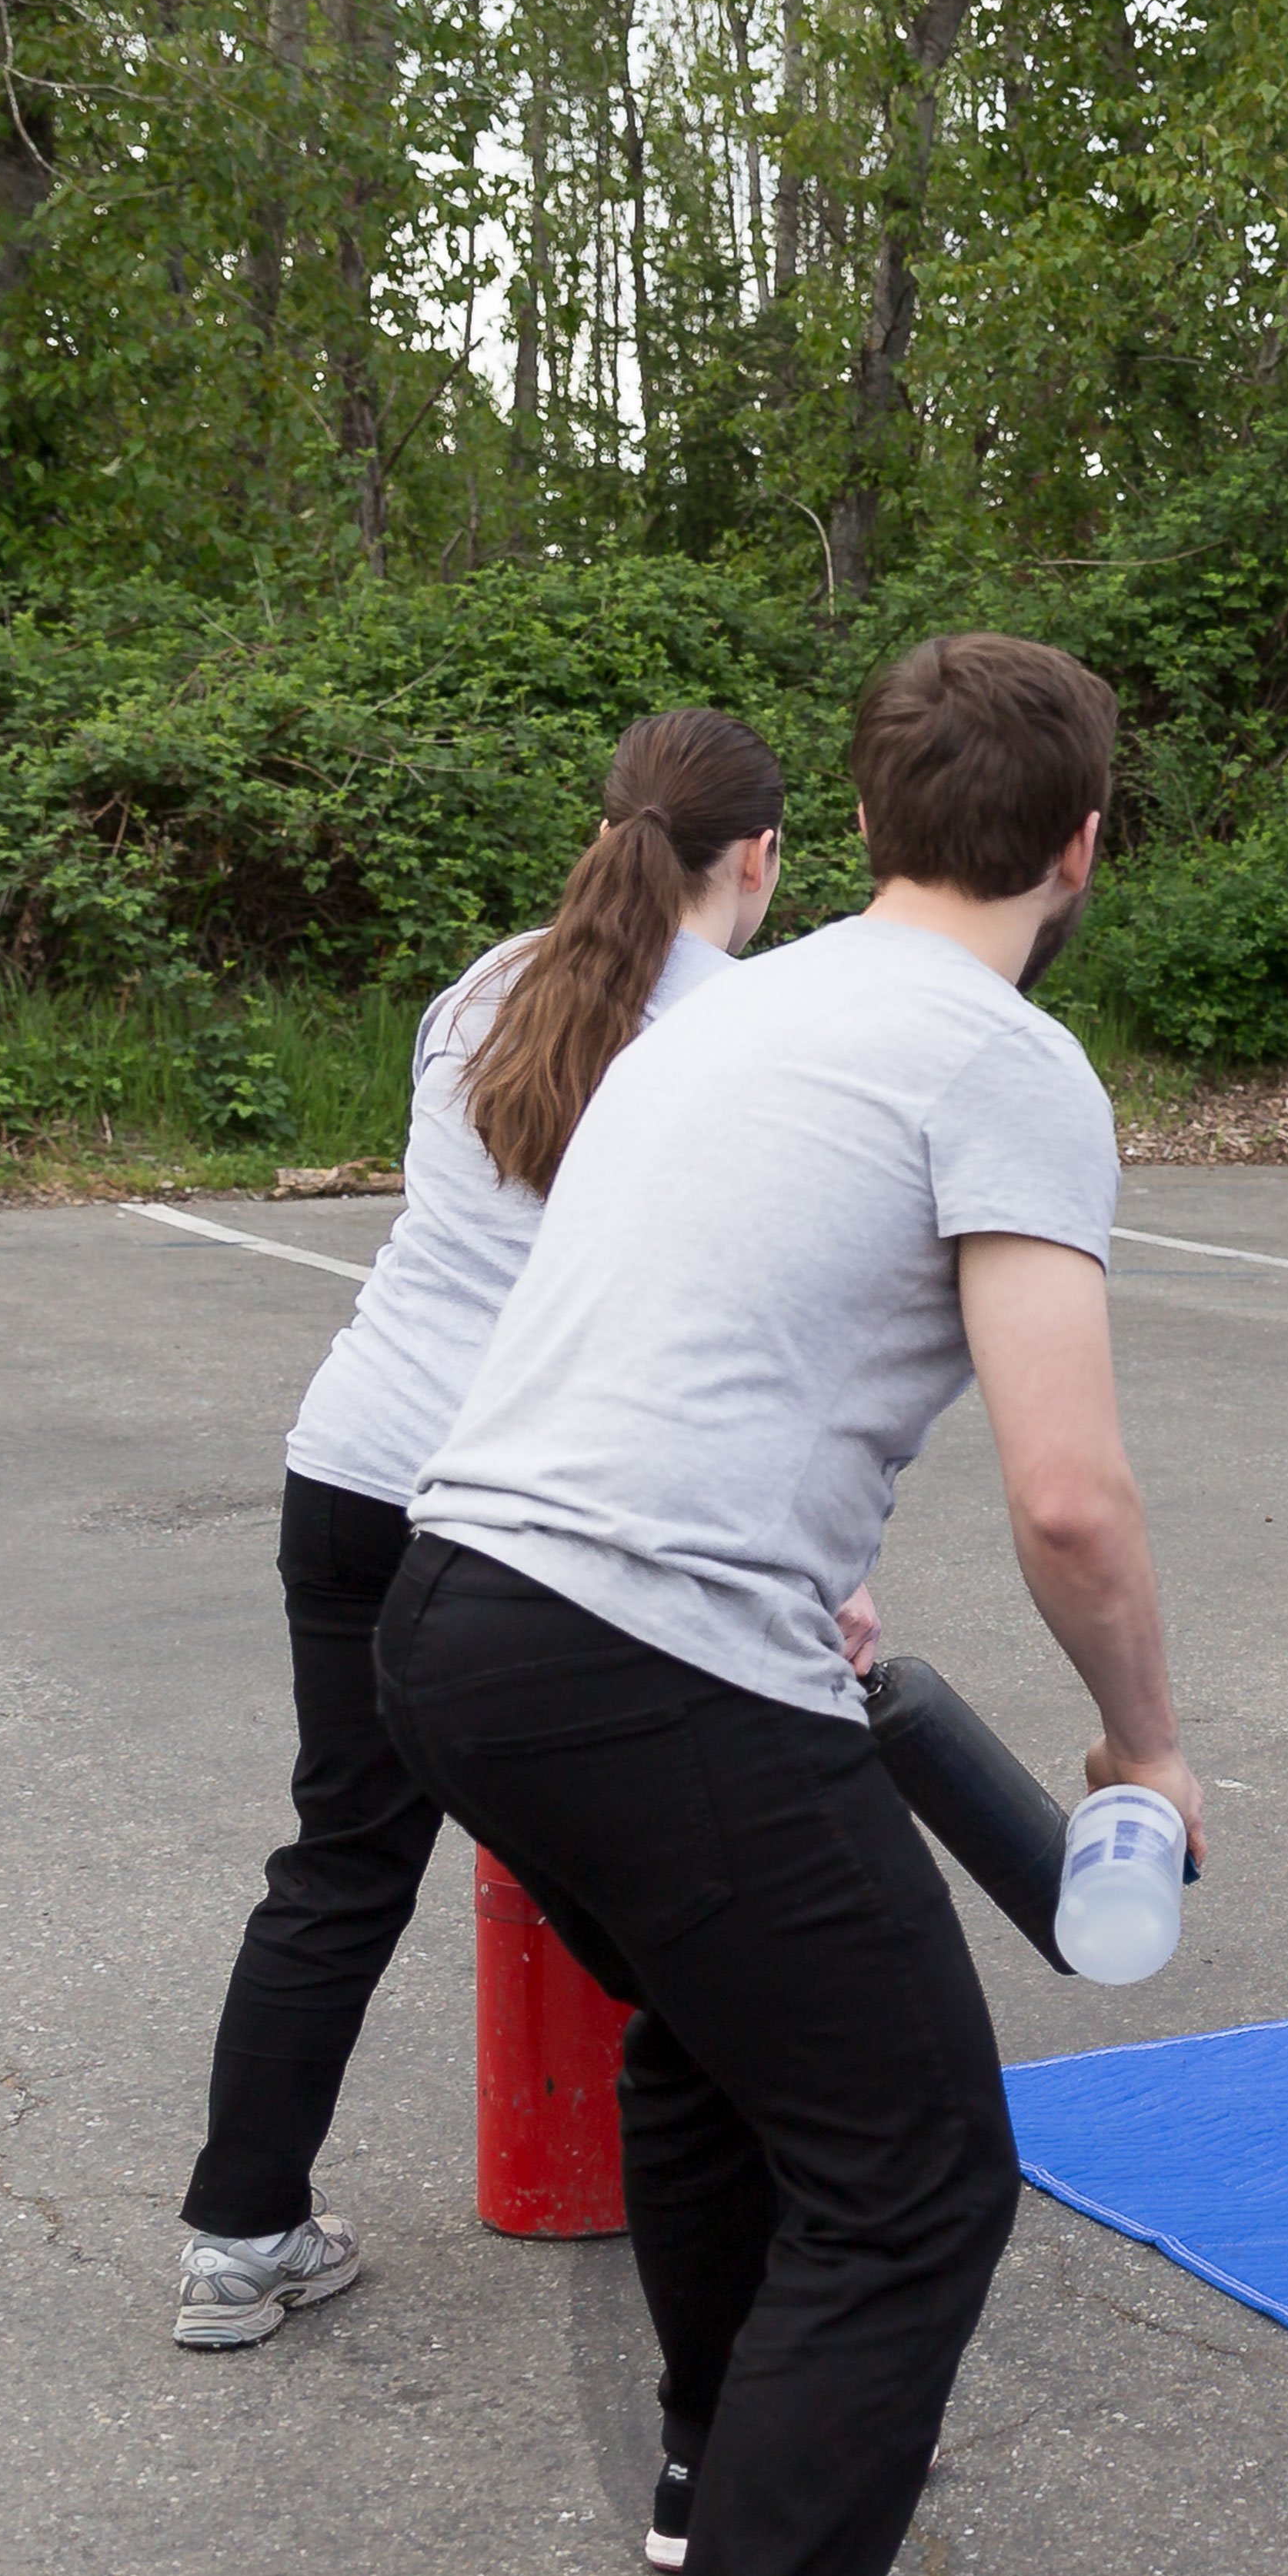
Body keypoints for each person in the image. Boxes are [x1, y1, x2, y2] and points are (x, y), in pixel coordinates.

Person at [388, 632, 1195, 2576]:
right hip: (641, 1650)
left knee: (740, 2075)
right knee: (923, 2178)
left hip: (466, 1615)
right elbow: (1070, 1498)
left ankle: (715, 2466)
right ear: (1082, 846)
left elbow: (674, 1328)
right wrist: (1142, 1741)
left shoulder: (728, 1014)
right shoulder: (1006, 1060)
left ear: (855, 827)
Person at [168, 712, 796, 2361]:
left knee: (340, 1866)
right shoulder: (741, 1027)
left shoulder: (488, 982)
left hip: (356, 1465)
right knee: (689, 1896)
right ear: (761, 860)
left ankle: (240, 2238)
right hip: (534, 1521)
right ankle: (767, 2307)